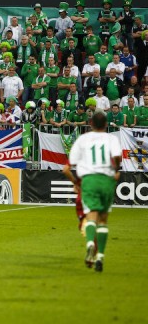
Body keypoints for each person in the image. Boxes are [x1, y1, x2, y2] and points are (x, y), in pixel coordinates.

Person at [63, 112, 121, 272]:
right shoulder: (112, 139)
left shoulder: (83, 139)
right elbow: (117, 157)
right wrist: (116, 169)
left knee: (91, 216)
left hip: (89, 180)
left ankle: (90, 244)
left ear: (91, 124)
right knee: (103, 220)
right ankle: (100, 256)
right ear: (106, 124)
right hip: (106, 179)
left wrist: (76, 183)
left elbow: (68, 166)